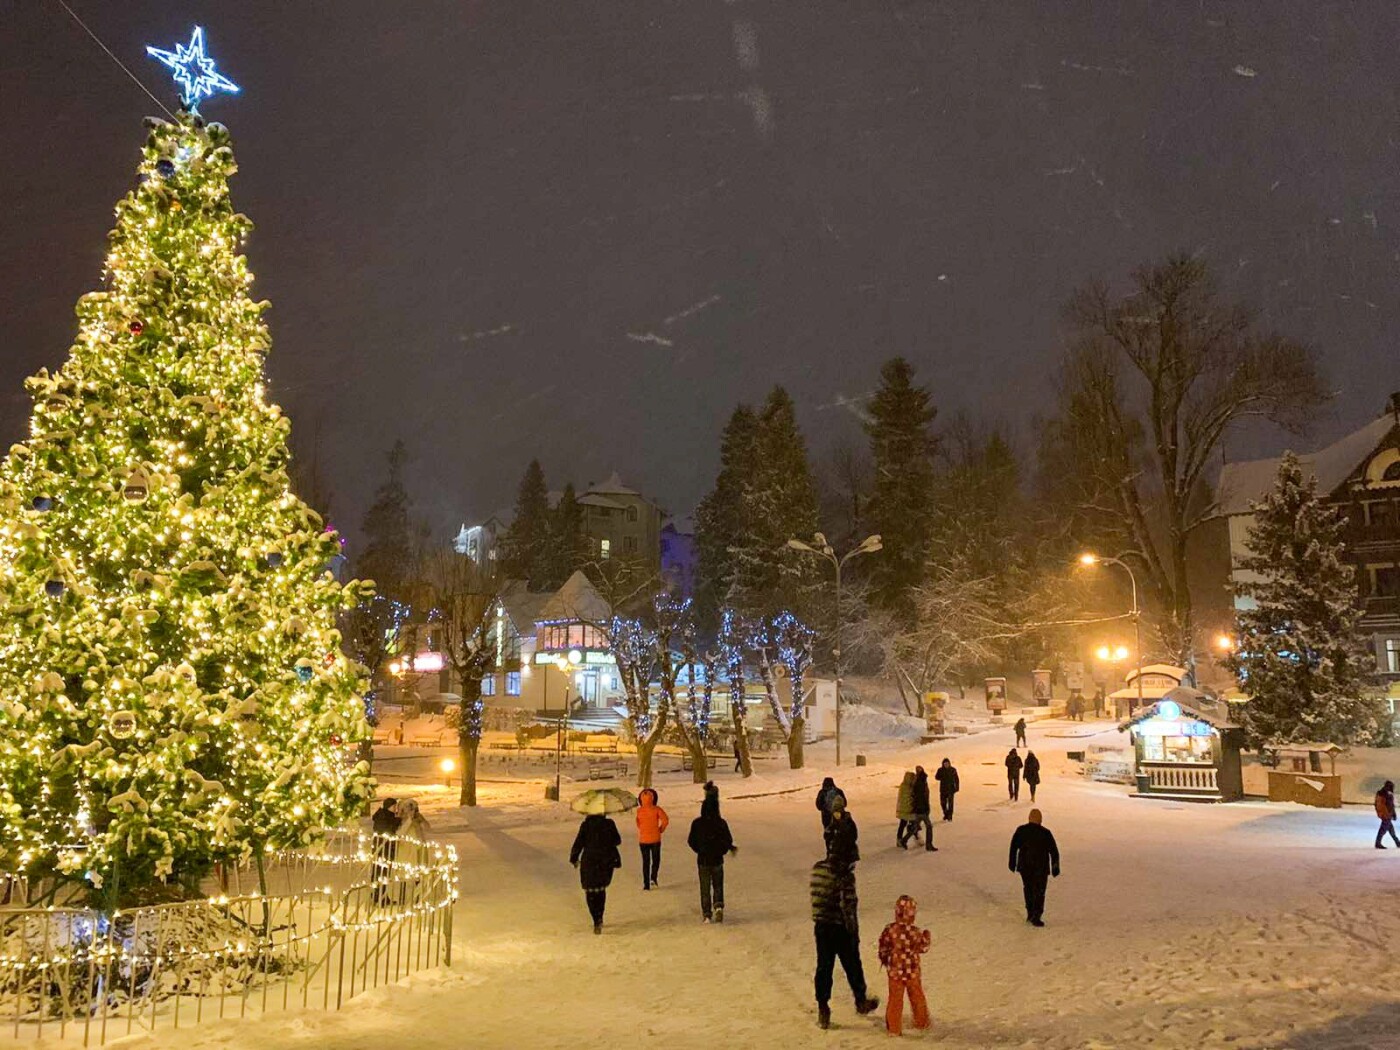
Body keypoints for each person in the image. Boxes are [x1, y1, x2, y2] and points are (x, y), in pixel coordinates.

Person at [810, 856, 880, 1029]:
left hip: (822, 926)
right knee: (852, 964)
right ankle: (860, 1000)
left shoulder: (818, 868)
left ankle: (823, 1007)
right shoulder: (844, 876)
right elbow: (848, 907)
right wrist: (853, 932)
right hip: (840, 928)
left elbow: (816, 899)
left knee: (824, 966)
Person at [878, 894, 931, 1035]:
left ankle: (894, 1028)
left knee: (895, 999)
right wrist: (927, 937)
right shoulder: (915, 932)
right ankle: (922, 1022)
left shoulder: (890, 929)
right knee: (917, 996)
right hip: (912, 971)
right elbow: (923, 948)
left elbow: (883, 945)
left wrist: (885, 957)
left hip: (895, 972)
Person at [687, 782, 736, 922]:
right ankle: (718, 905)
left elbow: (691, 841)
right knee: (718, 884)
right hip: (717, 859)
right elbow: (728, 839)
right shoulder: (721, 823)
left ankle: (707, 913)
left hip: (703, 860)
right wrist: (722, 850)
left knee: (705, 887)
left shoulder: (697, 823)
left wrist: (700, 850)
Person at [569, 810, 622, 934]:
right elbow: (617, 841)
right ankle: (600, 916)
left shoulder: (585, 825)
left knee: (590, 891)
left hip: (589, 861)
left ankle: (595, 919)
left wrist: (574, 858)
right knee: (600, 889)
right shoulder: (609, 824)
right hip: (604, 861)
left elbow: (578, 843)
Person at [1008, 808, 1060, 927]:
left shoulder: (1021, 831)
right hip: (1040, 868)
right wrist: (1055, 867)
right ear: (1040, 820)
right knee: (1039, 891)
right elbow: (1054, 851)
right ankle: (1036, 915)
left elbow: (1013, 847)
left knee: (1028, 888)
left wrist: (1012, 862)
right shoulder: (1046, 833)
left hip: (1025, 866)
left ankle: (1030, 911)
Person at [635, 787, 669, 889]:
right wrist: (660, 829)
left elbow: (638, 823)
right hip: (655, 839)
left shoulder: (639, 811)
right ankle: (653, 877)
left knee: (645, 862)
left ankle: (646, 884)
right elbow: (665, 820)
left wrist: (643, 829)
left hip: (643, 840)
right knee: (656, 859)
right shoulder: (657, 809)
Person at [370, 797, 401, 904]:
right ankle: (378, 895)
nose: (396, 808)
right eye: (394, 806)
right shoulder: (384, 817)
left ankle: (381, 895)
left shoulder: (388, 816)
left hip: (386, 848)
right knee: (381, 872)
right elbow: (387, 829)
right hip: (383, 848)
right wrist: (397, 822)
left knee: (384, 873)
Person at [900, 766, 936, 852]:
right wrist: (926, 808)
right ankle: (929, 845)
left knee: (915, 827)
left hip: (918, 809)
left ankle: (904, 840)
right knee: (929, 826)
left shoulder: (918, 781)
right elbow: (923, 797)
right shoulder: (921, 783)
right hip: (921, 809)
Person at [826, 794, 860, 869]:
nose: (835, 814)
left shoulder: (848, 822)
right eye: (834, 812)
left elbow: (853, 837)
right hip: (836, 855)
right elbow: (828, 837)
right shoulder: (833, 823)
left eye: (837, 812)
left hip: (847, 856)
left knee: (845, 877)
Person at [895, 771, 917, 848]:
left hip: (904, 809)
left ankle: (899, 839)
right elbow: (908, 798)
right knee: (911, 824)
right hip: (907, 810)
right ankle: (913, 837)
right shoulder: (907, 788)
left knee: (903, 824)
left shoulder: (904, 786)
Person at [1376, 780, 1400, 849]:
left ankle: (1397, 842)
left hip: (1388, 814)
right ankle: (1378, 843)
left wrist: (1393, 814)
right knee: (1383, 829)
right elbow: (1384, 805)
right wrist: (1387, 814)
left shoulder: (1386, 793)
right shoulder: (1384, 794)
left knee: (1391, 829)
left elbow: (1390, 805)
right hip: (1386, 814)